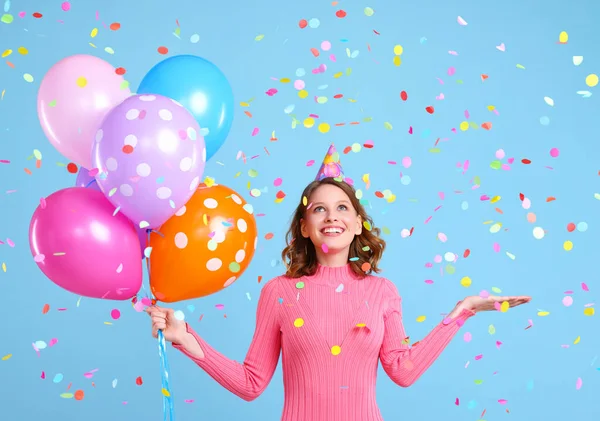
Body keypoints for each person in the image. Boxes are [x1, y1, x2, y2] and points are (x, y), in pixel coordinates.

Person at [147, 144, 531, 421]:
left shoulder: (382, 292)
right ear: (305, 226)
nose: (332, 216)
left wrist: (461, 312)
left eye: (342, 207)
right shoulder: (278, 293)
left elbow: (404, 371)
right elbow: (251, 383)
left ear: (358, 221)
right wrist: (184, 337)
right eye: (319, 209)